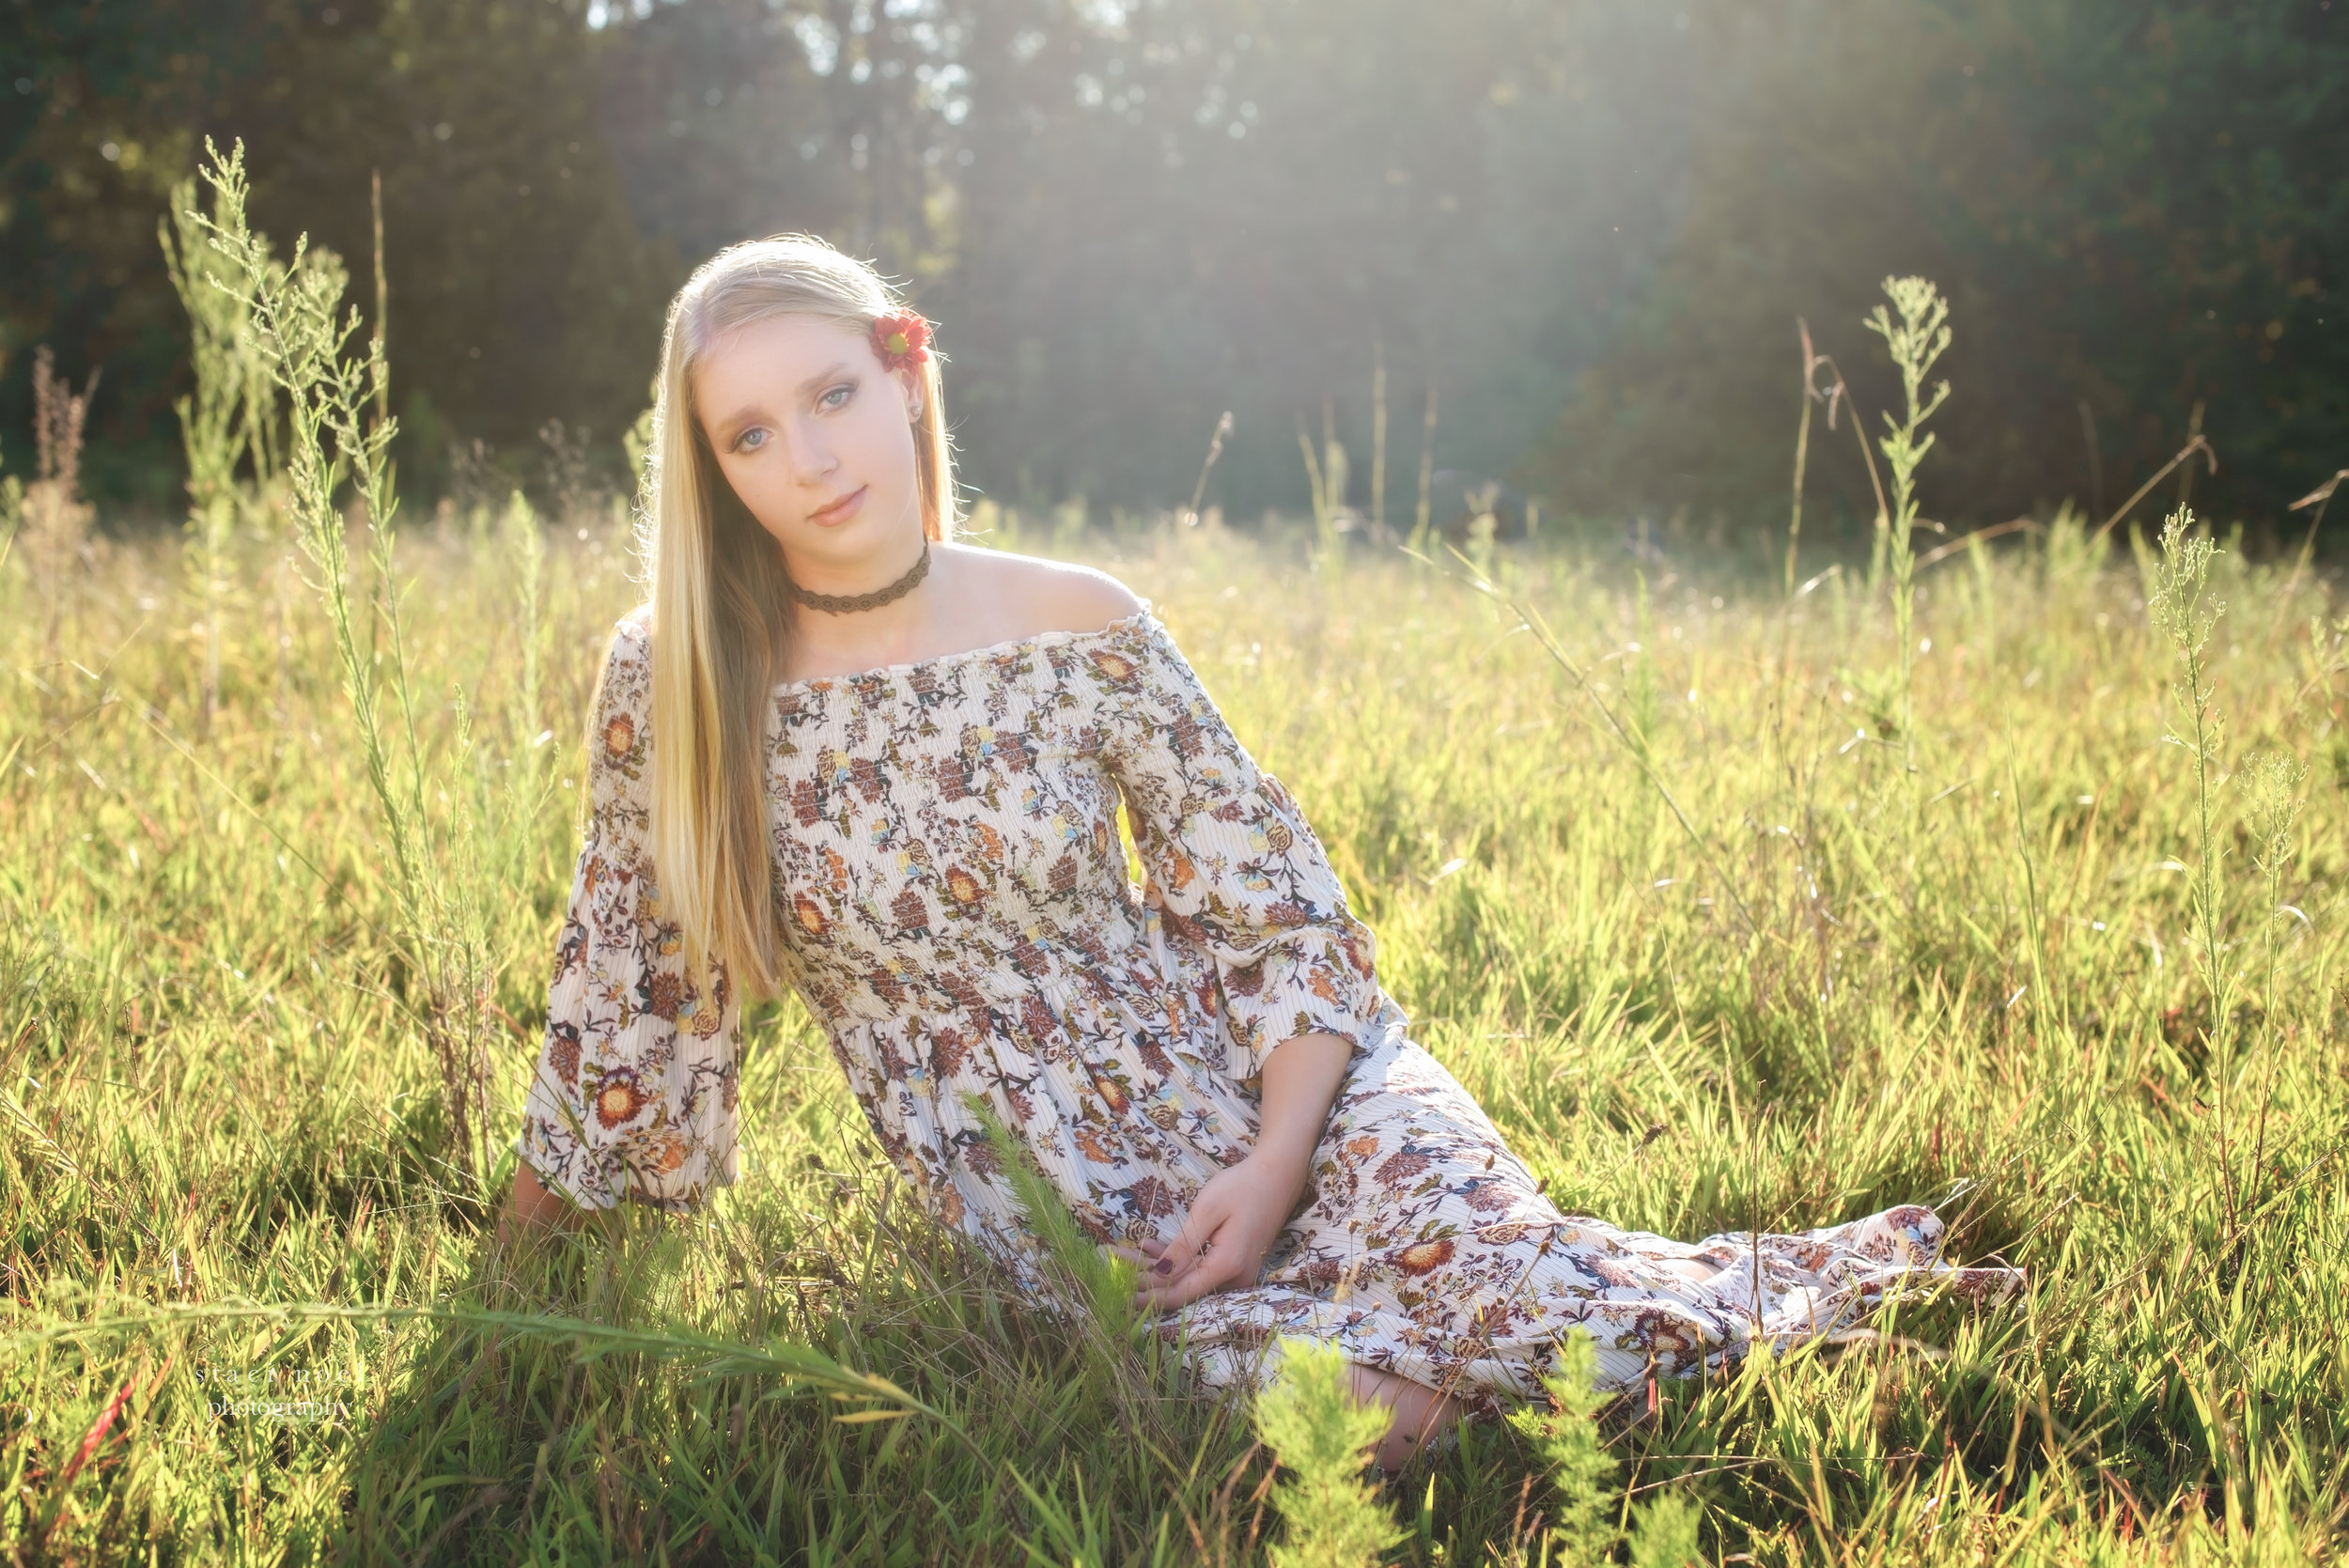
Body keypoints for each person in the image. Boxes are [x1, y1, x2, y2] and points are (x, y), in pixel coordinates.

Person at [499, 234, 2022, 1476]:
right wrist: (511, 1274)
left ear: (907, 371)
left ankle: (1825, 1333)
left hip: (1294, 1088)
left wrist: (1279, 1150)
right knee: (1384, 1418)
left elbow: (1272, 906)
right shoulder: (685, 676)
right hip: (1069, 1212)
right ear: (711, 471)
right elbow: (624, 985)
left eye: (832, 393)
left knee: (1507, 1311)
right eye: (749, 434)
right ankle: (1779, 1323)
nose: (807, 458)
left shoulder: (1075, 621)